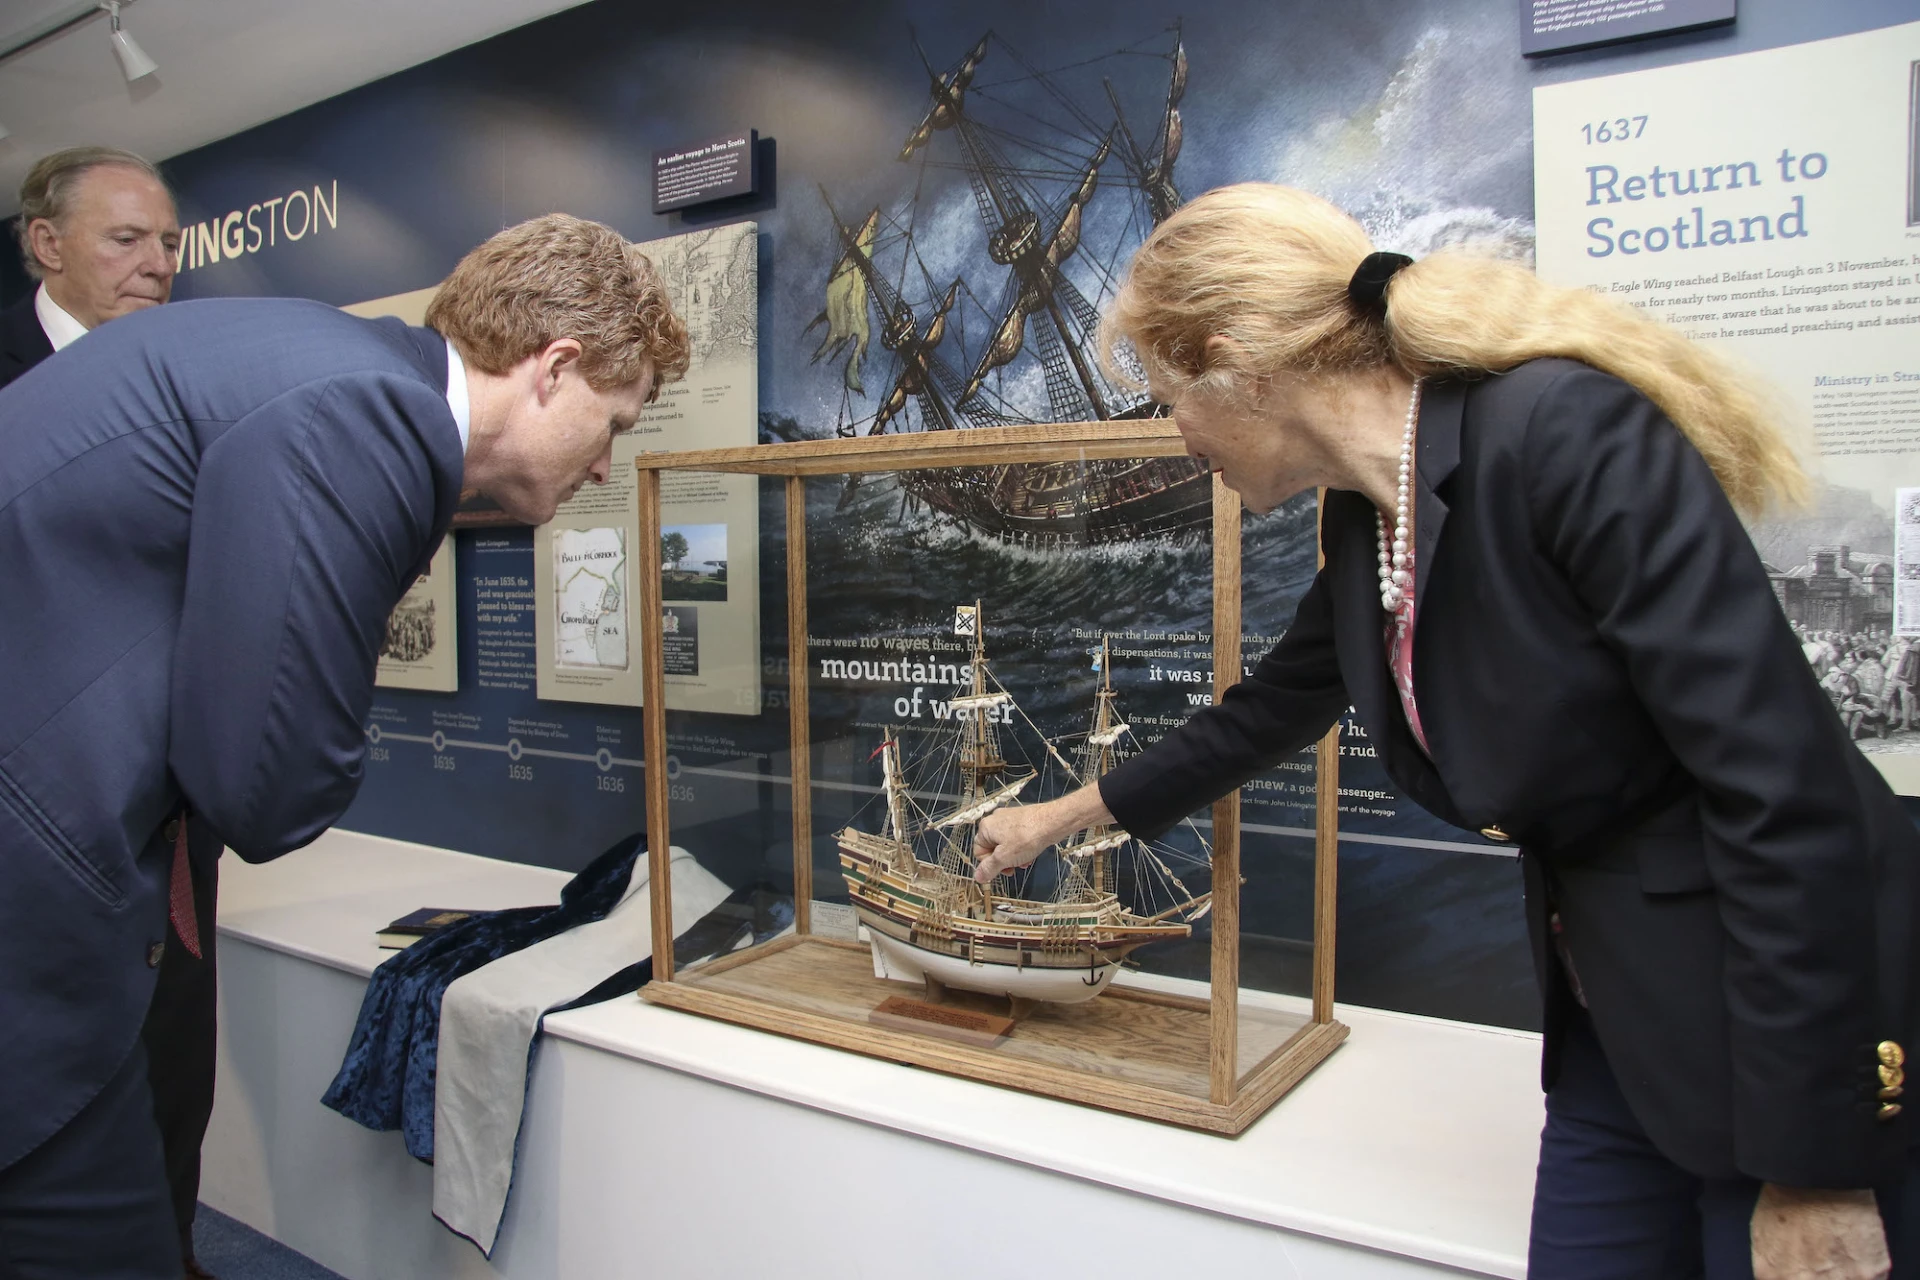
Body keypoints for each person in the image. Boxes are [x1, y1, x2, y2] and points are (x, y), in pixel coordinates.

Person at [972, 183, 1920, 1280]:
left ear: (1236, 360)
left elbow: (1785, 791)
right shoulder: (1367, 512)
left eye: (1167, 397)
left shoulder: (1561, 433)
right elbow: (1271, 708)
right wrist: (1059, 816)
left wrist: (1814, 1168)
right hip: (1611, 1015)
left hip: (1774, 1031)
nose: (1176, 440)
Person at [0, 212, 689, 1279]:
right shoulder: (372, 415)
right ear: (554, 369)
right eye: (615, 421)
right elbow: (270, 792)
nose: (605, 466)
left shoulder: (324, 366)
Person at [0, 145, 180, 388]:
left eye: (169, 245)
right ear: (49, 245)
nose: (161, 267)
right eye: (126, 240)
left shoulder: (188, 367)